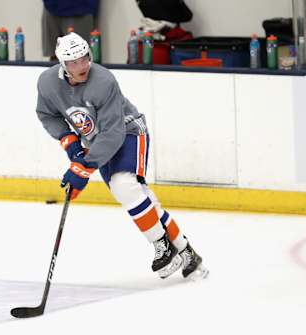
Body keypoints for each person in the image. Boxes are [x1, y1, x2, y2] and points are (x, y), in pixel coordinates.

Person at [36, 32, 208, 279]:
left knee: (123, 185)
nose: (81, 66)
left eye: (84, 58)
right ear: (63, 65)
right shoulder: (47, 83)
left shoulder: (103, 80)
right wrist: (71, 144)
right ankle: (186, 251)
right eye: (73, 62)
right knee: (139, 196)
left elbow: (114, 132)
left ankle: (163, 246)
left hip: (128, 131)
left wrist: (83, 168)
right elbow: (47, 114)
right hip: (98, 141)